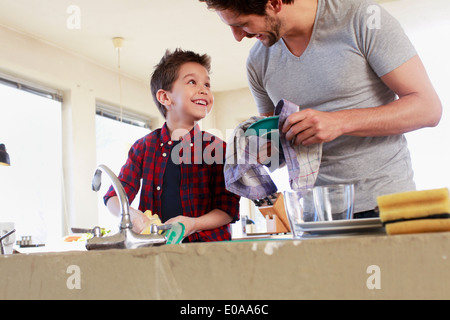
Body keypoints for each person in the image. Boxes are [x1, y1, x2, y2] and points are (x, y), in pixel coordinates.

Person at [199, 0, 442, 216]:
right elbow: (277, 150)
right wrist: (261, 151)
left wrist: (339, 122)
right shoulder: (257, 61)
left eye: (241, 24)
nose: (237, 37)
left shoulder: (363, 19)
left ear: (274, 3)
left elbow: (428, 108)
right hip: (314, 213)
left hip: (385, 205)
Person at [104, 49, 240, 242]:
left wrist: (192, 224)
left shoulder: (218, 148)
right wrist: (132, 215)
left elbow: (227, 209)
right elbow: (114, 196)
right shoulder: (143, 147)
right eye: (192, 82)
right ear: (165, 98)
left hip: (208, 253)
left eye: (207, 84)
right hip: (157, 252)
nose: (204, 89)